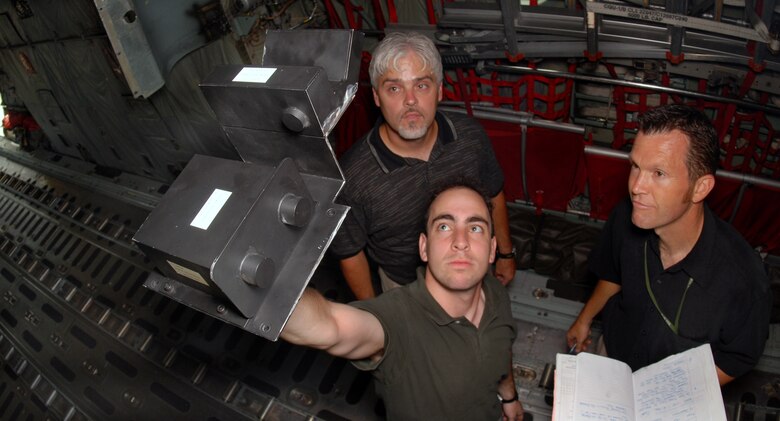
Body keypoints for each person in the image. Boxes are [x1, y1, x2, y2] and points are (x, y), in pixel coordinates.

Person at [566, 104, 771, 385]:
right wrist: (585, 319)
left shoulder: (744, 279)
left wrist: (669, 395)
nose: (637, 186)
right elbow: (613, 275)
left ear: (700, 187)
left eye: (658, 173)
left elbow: (737, 359)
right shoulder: (625, 217)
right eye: (635, 167)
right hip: (613, 358)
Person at [282, 182, 524, 420]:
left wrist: (510, 398)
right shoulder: (397, 320)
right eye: (443, 227)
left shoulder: (495, 292)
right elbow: (328, 326)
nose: (460, 241)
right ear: (424, 247)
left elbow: (502, 349)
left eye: (475, 228)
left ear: (492, 249)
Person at [330, 32, 516, 300]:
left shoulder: (470, 138)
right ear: (377, 98)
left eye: (422, 85)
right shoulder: (352, 176)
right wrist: (376, 319)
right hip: (404, 290)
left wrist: (506, 254)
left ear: (439, 90)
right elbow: (350, 253)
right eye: (394, 88)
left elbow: (494, 194)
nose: (410, 100)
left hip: (472, 268)